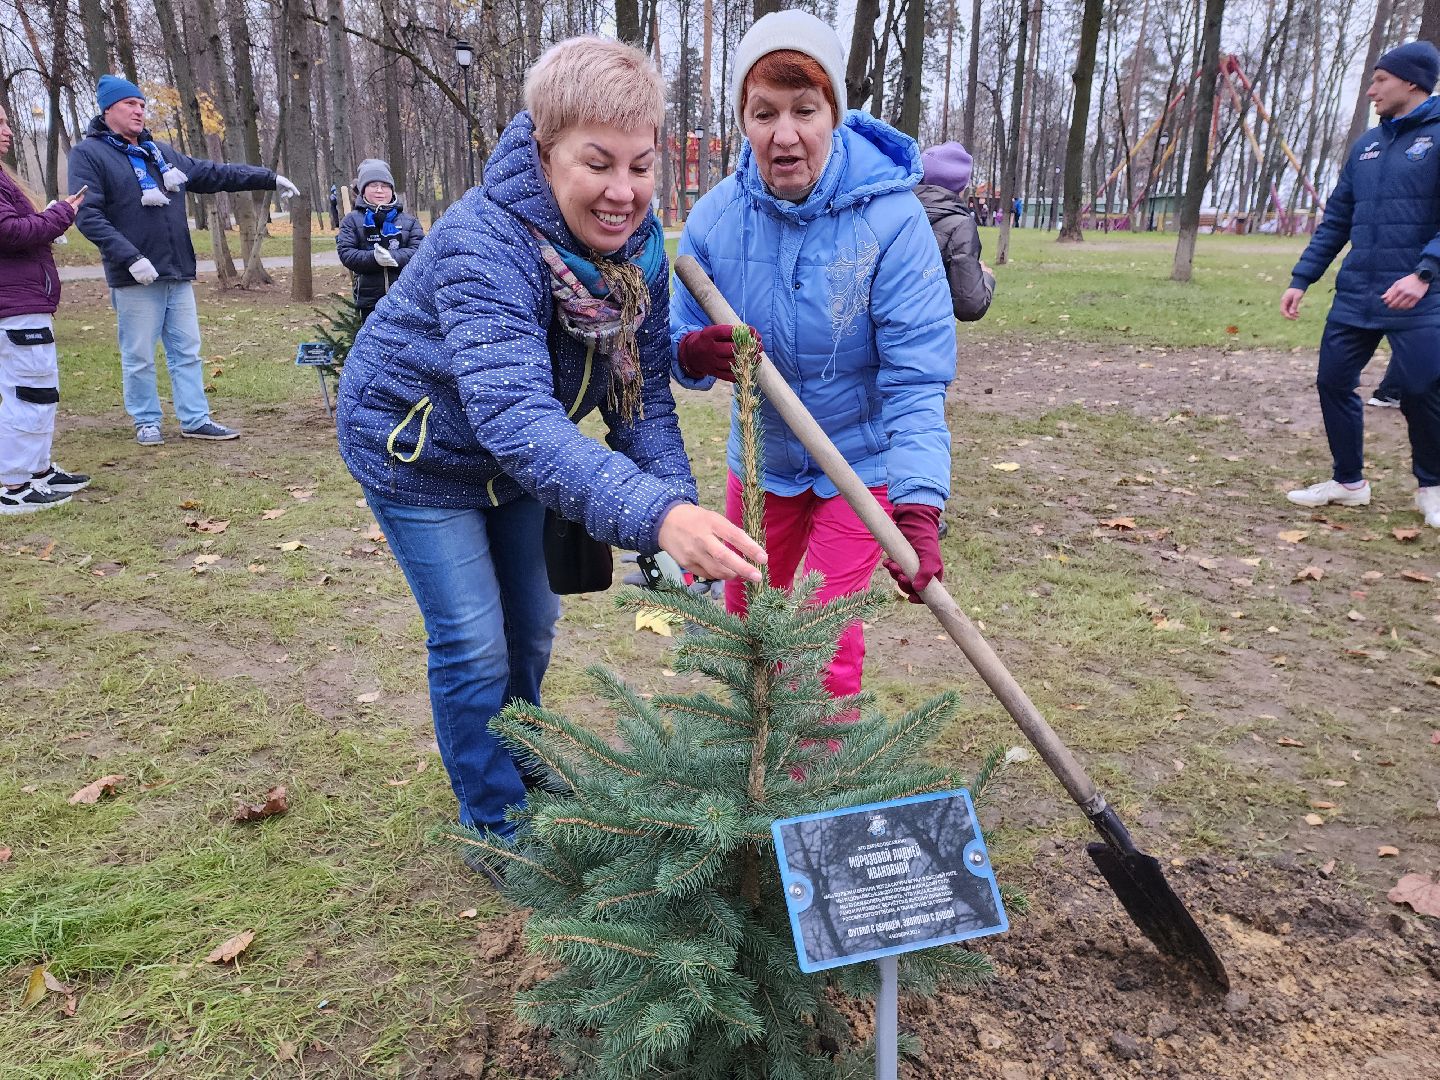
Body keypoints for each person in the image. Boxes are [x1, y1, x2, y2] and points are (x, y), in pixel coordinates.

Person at [335, 37, 766, 847]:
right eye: (598, 163)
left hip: (514, 460)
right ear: (544, 150)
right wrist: (655, 519)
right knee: (470, 639)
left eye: (641, 167)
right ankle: (493, 817)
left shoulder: (638, 257)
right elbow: (518, 421)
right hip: (418, 453)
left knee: (530, 628)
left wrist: (676, 506)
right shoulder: (484, 244)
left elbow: (639, 405)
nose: (623, 191)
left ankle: (519, 748)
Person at [670, 10, 956, 701]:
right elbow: (672, 348)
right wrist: (694, 354)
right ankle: (751, 784)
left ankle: (817, 796)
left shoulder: (891, 221)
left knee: (824, 637)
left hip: (861, 462)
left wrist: (917, 504)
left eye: (806, 108)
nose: (785, 134)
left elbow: (916, 377)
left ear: (836, 112)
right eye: (764, 112)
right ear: (742, 120)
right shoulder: (714, 221)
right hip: (763, 463)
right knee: (747, 624)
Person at [67, 75, 299, 446]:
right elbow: (88, 216)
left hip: (176, 270)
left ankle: (195, 418)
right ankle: (146, 421)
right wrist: (130, 258)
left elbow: (211, 173)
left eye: (142, 104)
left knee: (187, 352)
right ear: (108, 109)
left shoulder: (160, 154)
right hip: (136, 276)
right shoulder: (89, 155)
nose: (139, 110)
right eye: (130, 104)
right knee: (140, 355)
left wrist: (268, 178)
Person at [1281, 41, 1440, 529]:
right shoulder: (1367, 146)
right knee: (1332, 380)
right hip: (1357, 292)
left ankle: (1432, 486)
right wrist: (1302, 278)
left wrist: (1424, 273)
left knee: (1419, 388)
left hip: (1420, 294)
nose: (1371, 90)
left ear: (1412, 82)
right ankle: (1349, 482)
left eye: (1380, 80)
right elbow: (1336, 220)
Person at [0, 106, 90, 514]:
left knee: (41, 392)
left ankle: (35, 471)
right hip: (14, 305)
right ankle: (11, 484)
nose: (8, 131)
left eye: (7, 120)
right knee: (28, 393)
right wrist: (60, 214)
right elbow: (8, 232)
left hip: (26, 303)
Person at [335, 159, 425, 323]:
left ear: (391, 189)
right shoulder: (352, 221)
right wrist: (374, 258)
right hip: (369, 300)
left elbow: (419, 252)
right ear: (363, 190)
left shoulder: (409, 221)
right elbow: (346, 253)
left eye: (384, 185)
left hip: (405, 298)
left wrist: (393, 257)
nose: (379, 190)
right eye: (373, 185)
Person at [916, 142, 995, 321]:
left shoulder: (899, 211)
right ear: (962, 186)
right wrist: (986, 277)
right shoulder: (960, 226)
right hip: (930, 334)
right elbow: (970, 304)